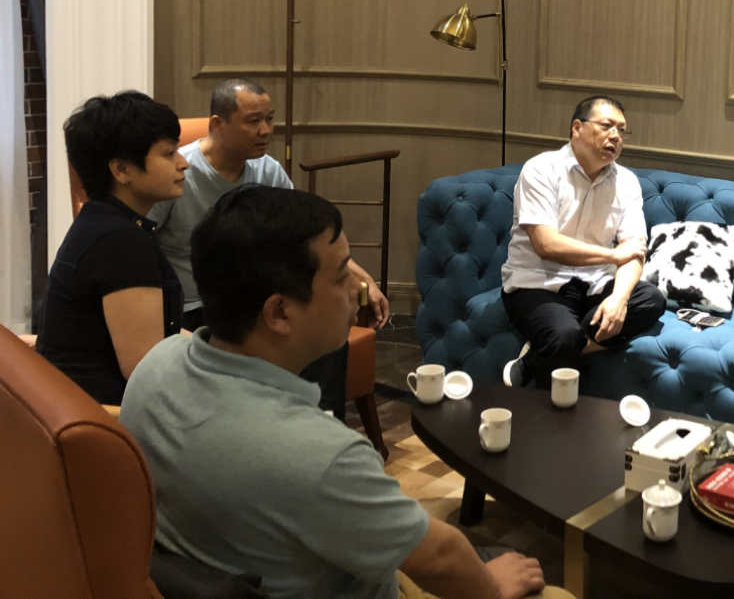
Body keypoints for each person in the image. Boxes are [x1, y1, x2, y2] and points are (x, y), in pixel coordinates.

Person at [122, 186, 568, 599]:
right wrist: (492, 588)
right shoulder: (321, 455)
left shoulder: (154, 367)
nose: (359, 290)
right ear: (279, 312)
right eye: (341, 278)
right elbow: (439, 558)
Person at [149, 77, 389, 415]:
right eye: (253, 121)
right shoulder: (179, 173)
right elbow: (140, 246)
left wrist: (361, 279)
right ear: (218, 124)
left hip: (254, 302)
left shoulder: (266, 170)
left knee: (322, 324)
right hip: (194, 306)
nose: (265, 130)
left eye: (269, 119)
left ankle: (322, 422)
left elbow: (307, 238)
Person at [501, 95, 665, 388]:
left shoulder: (627, 182)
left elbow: (634, 251)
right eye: (606, 126)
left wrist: (619, 299)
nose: (615, 136)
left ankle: (536, 358)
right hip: (538, 284)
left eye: (621, 130)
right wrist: (612, 256)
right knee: (563, 335)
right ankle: (551, 405)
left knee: (651, 299)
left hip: (594, 285)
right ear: (577, 128)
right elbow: (546, 245)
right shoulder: (541, 170)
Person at [37, 91, 188, 405]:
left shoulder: (100, 221)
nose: (183, 163)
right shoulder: (121, 243)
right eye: (169, 153)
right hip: (104, 416)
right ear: (121, 170)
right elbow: (145, 375)